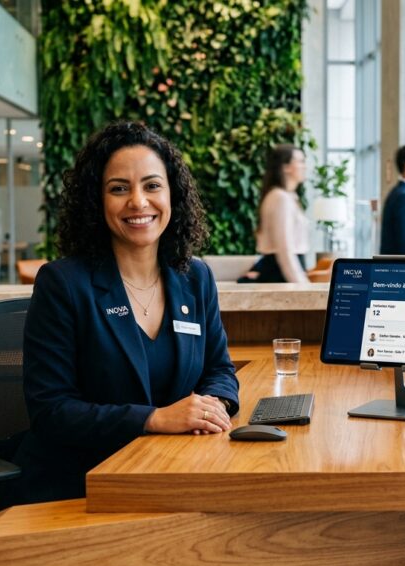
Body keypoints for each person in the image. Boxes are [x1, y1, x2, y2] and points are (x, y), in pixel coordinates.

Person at [13, 121, 240, 502]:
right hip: (79, 485)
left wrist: (213, 406)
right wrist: (155, 419)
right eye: (119, 188)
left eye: (152, 185)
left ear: (172, 196)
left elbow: (219, 369)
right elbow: (52, 411)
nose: (138, 202)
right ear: (97, 201)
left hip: (171, 470)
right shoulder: (63, 283)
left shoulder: (195, 277)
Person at [251, 144, 310, 283]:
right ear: (286, 167)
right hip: (280, 273)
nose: (304, 166)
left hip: (281, 270)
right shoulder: (280, 198)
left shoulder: (286, 197)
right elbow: (285, 249)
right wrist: (302, 285)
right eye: (300, 161)